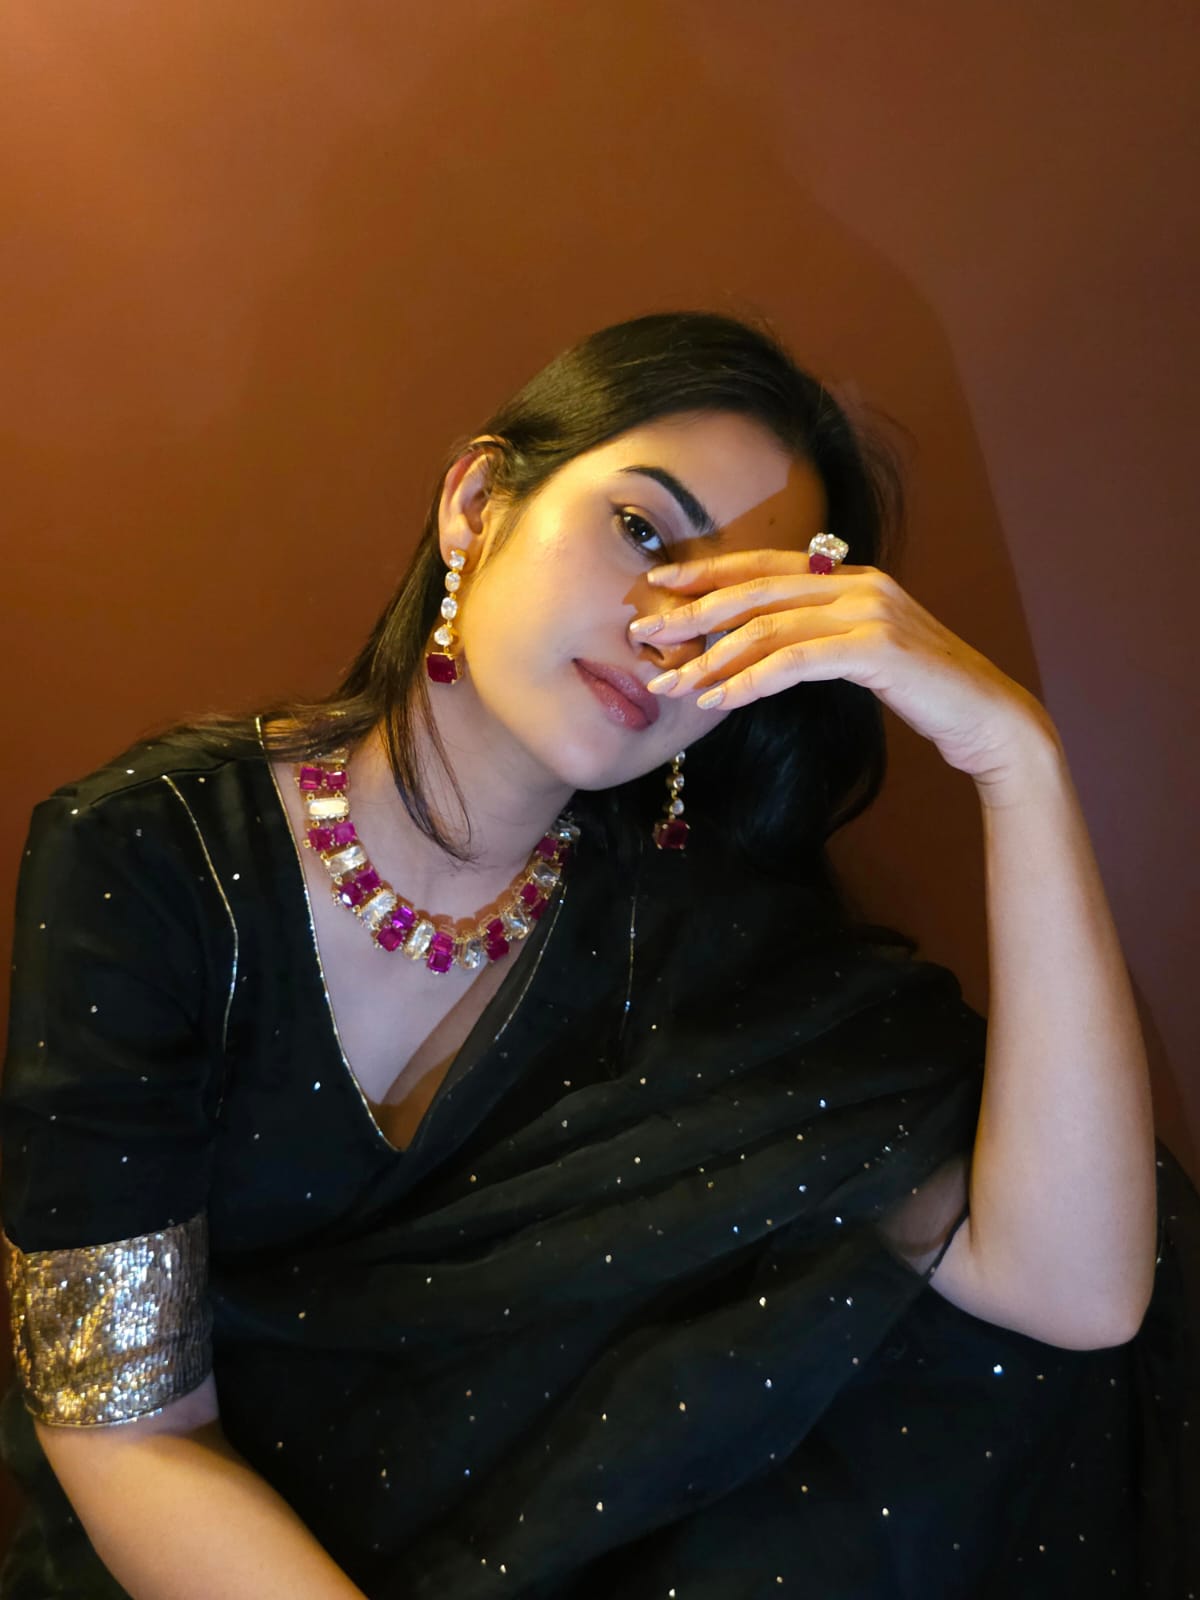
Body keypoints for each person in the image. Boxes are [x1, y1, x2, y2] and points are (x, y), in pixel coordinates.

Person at [0, 309, 1195, 1598]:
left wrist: (1015, 757)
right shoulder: (152, 855)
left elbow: (1077, 1297)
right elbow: (120, 1430)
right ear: (477, 504)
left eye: (739, 602)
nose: (668, 627)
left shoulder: (686, 927)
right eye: (643, 531)